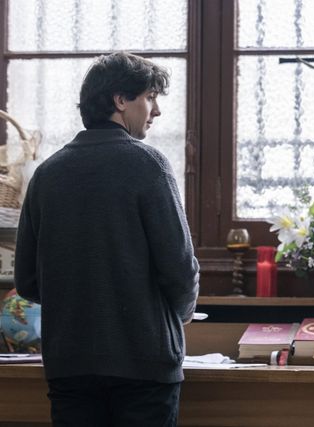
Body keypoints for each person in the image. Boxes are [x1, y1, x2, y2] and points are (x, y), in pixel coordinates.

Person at [14, 52, 200, 426]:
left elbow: (28, 281)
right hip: (144, 364)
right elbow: (179, 269)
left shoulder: (47, 174)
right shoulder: (149, 165)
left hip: (70, 366)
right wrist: (175, 318)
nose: (156, 110)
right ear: (120, 100)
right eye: (150, 97)